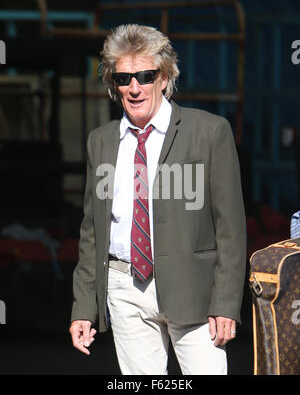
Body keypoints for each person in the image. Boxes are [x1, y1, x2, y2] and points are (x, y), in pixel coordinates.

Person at [69, 24, 246, 375]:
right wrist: (83, 308)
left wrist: (225, 303)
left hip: (194, 293)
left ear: (164, 78)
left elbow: (230, 228)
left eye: (145, 76)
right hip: (124, 287)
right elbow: (91, 233)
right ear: (113, 84)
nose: (134, 88)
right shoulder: (100, 142)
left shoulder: (210, 133)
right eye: (124, 79)